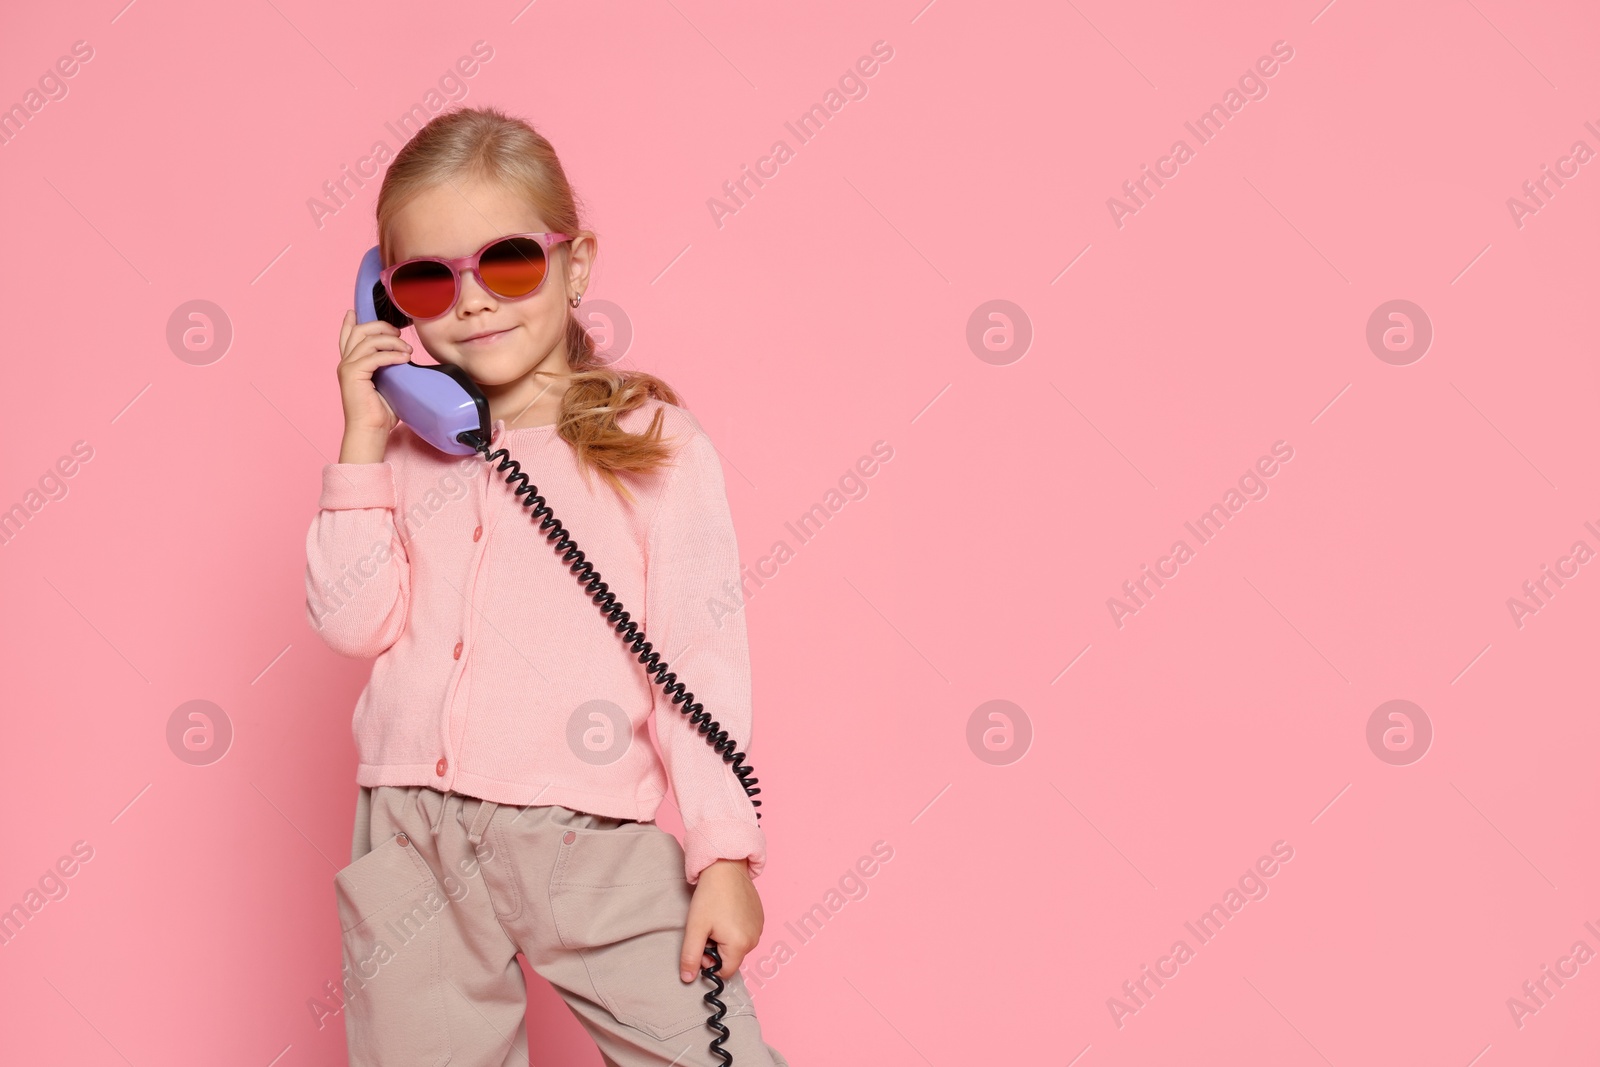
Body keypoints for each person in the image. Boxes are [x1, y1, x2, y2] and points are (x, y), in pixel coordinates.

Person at [304, 104, 788, 1067]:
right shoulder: (400, 455)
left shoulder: (653, 445)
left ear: (577, 265)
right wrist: (362, 437)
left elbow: (696, 657)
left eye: (510, 263)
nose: (474, 301)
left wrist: (723, 851)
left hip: (586, 836)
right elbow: (354, 624)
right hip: (412, 834)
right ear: (387, 301)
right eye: (428, 280)